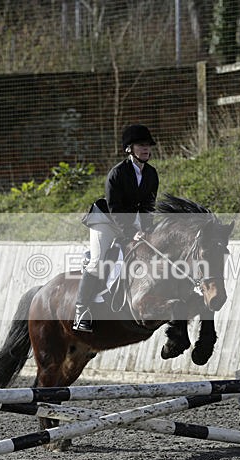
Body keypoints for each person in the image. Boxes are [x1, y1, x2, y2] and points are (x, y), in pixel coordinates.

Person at [73, 124, 159, 332]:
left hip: (130, 218)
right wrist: (131, 232)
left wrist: (147, 230)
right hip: (106, 219)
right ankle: (81, 310)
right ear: (129, 149)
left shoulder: (151, 174)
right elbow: (115, 208)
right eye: (141, 145)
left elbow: (148, 206)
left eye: (148, 145)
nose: (146, 149)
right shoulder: (117, 173)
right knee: (97, 261)